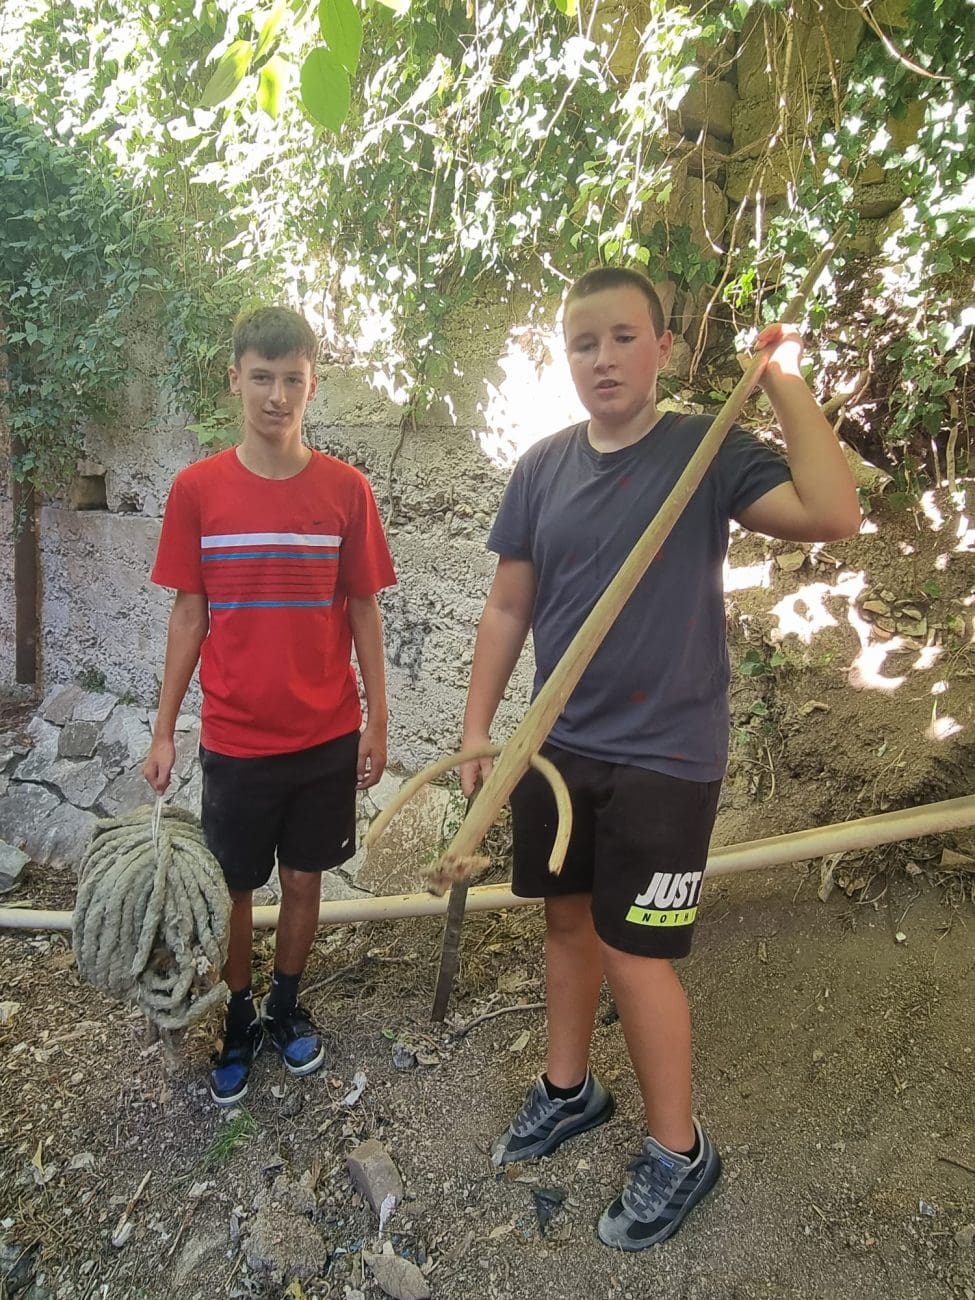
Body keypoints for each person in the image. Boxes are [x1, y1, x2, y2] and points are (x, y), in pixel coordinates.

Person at [460, 266, 860, 1251]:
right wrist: (479, 731)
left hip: (666, 753)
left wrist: (780, 377)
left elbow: (830, 512)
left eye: (623, 337)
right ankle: (569, 1088)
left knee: (636, 953)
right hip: (556, 747)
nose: (602, 358)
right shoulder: (542, 468)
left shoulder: (704, 452)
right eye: (583, 342)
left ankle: (678, 1151)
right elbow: (508, 605)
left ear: (664, 348)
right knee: (564, 921)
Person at [144, 305, 395, 1106]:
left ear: (313, 384)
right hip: (237, 740)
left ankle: (286, 1008)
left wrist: (377, 719)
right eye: (262, 378)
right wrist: (163, 730)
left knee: (305, 881)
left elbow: (363, 609)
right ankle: (237, 1018)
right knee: (236, 890)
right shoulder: (197, 491)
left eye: (292, 379)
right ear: (235, 380)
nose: (276, 396)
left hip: (325, 735)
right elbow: (189, 615)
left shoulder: (346, 491)